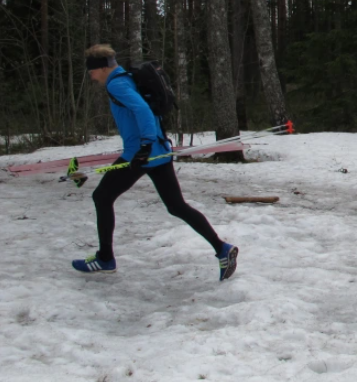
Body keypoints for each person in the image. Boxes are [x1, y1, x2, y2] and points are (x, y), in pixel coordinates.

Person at [74, 44, 238, 281]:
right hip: (159, 152)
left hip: (141, 154)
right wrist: (152, 144)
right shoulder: (126, 78)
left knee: (101, 197)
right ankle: (222, 249)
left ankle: (105, 258)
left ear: (101, 68)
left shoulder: (117, 84)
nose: (90, 75)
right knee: (176, 206)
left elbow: (142, 110)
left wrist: (145, 145)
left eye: (91, 71)